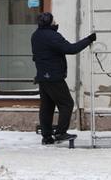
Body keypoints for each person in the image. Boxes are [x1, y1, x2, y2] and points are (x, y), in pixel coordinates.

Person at [31, 12, 97, 144]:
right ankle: (61, 133)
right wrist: (89, 39)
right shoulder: (52, 36)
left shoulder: (36, 35)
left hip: (42, 76)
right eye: (53, 20)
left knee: (47, 107)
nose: (56, 22)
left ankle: (47, 136)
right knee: (66, 103)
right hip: (54, 76)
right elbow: (71, 49)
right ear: (49, 22)